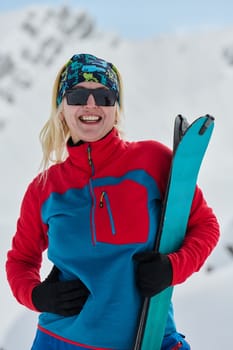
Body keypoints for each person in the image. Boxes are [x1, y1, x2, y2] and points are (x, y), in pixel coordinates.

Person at [6, 53, 220, 350]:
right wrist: (36, 295)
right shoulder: (44, 189)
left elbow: (205, 225)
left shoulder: (152, 162)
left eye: (103, 97)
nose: (90, 105)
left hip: (150, 337)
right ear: (61, 108)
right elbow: (21, 260)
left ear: (115, 108)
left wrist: (173, 267)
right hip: (61, 342)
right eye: (78, 95)